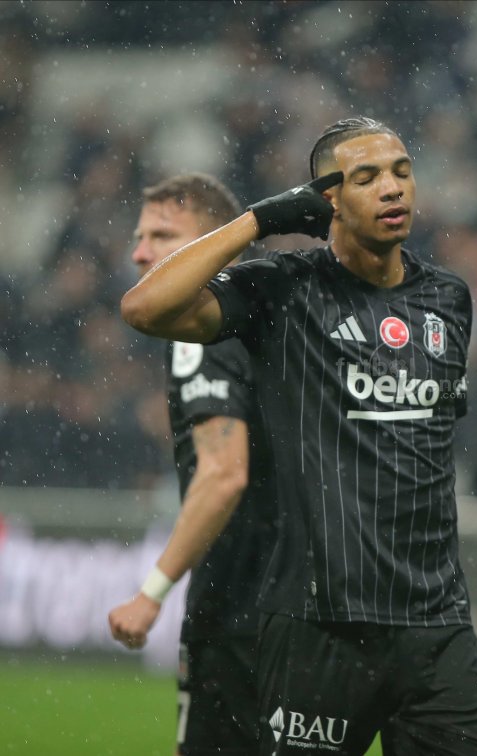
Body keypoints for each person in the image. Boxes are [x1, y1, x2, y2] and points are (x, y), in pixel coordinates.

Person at [120, 117, 477, 756]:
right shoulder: (283, 288)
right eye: (367, 177)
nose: (393, 188)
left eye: (402, 172)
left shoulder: (448, 299)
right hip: (319, 628)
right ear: (327, 200)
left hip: (436, 626)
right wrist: (258, 221)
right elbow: (144, 308)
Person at [108, 173, 275, 756]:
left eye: (161, 235)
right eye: (139, 236)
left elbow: (224, 474)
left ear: (214, 242)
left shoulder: (202, 331)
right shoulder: (278, 318)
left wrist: (151, 592)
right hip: (311, 599)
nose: (140, 252)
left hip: (241, 602)